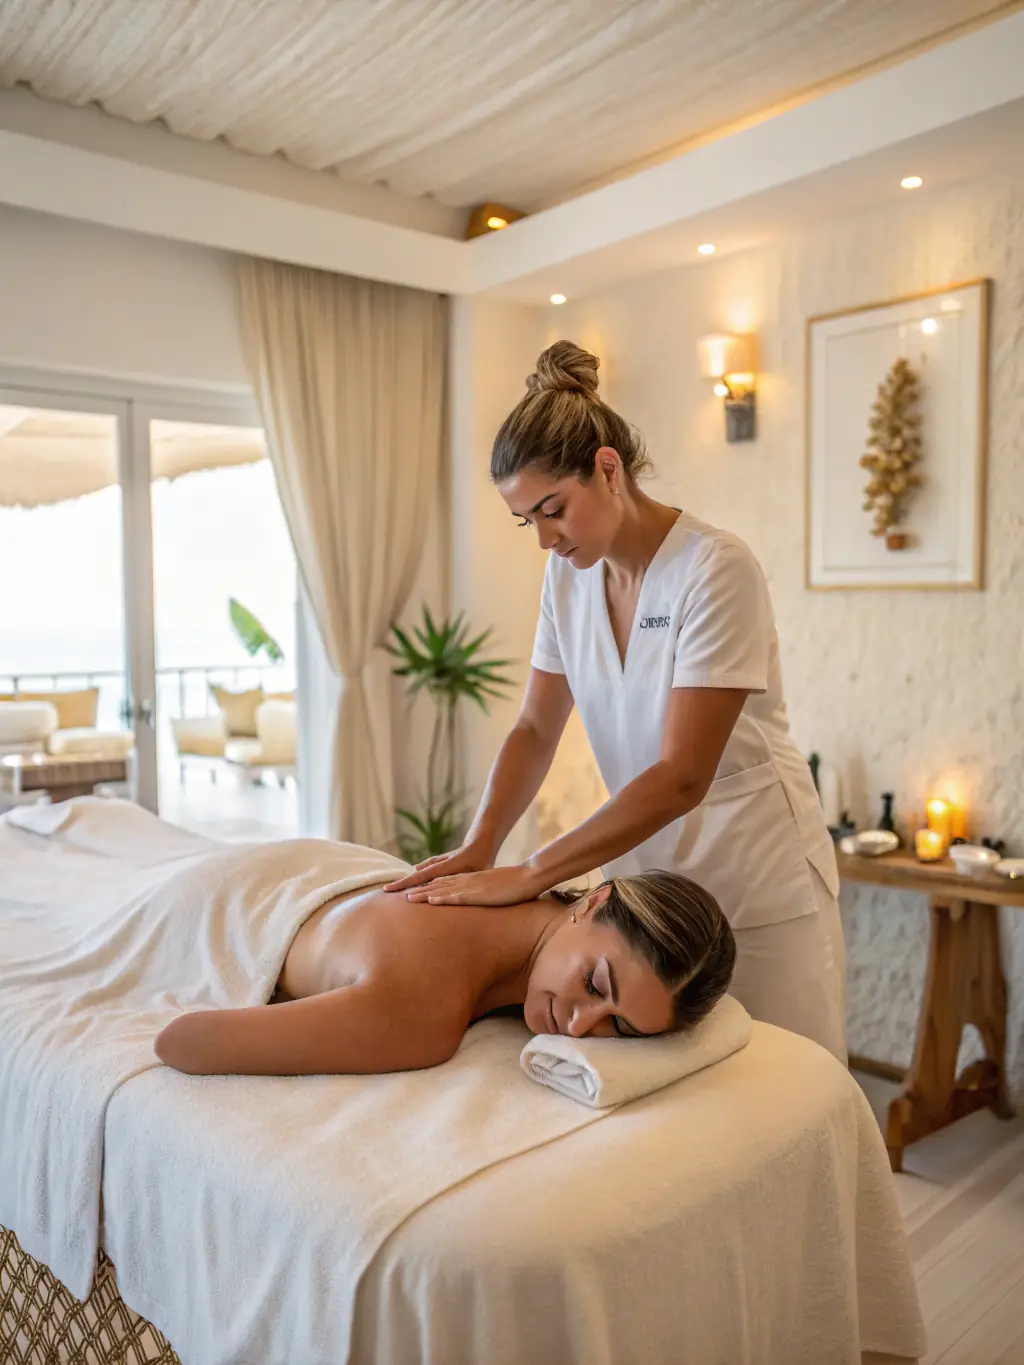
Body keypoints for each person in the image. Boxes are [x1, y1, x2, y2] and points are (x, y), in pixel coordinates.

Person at [386, 341, 846, 1062]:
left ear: (608, 468)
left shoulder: (714, 570)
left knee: (792, 1082)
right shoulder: (569, 581)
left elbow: (682, 774)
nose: (544, 538)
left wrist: (532, 872)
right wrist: (479, 849)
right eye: (526, 520)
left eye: (553, 510)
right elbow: (536, 726)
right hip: (649, 900)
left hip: (755, 879)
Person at [154, 867, 735, 1077]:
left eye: (620, 1030)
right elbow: (184, 1042)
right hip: (226, 890)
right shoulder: (421, 1012)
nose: (580, 1029)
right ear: (593, 901)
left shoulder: (502, 885)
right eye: (596, 985)